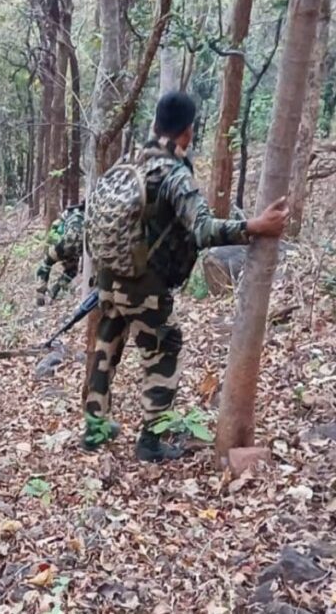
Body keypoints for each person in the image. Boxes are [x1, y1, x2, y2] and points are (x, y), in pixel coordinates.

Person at [83, 92, 289, 462]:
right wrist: (255, 226)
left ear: (156, 124)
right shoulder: (175, 175)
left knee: (106, 347)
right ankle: (151, 440)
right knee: (165, 348)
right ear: (187, 132)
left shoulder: (131, 160)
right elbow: (204, 230)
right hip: (144, 284)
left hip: (109, 277)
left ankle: (94, 428)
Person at [36, 201, 84, 306]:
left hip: (65, 245)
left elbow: (56, 229)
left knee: (46, 263)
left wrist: (53, 244)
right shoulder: (87, 214)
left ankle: (40, 294)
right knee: (71, 271)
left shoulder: (69, 213)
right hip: (79, 248)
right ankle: (55, 291)